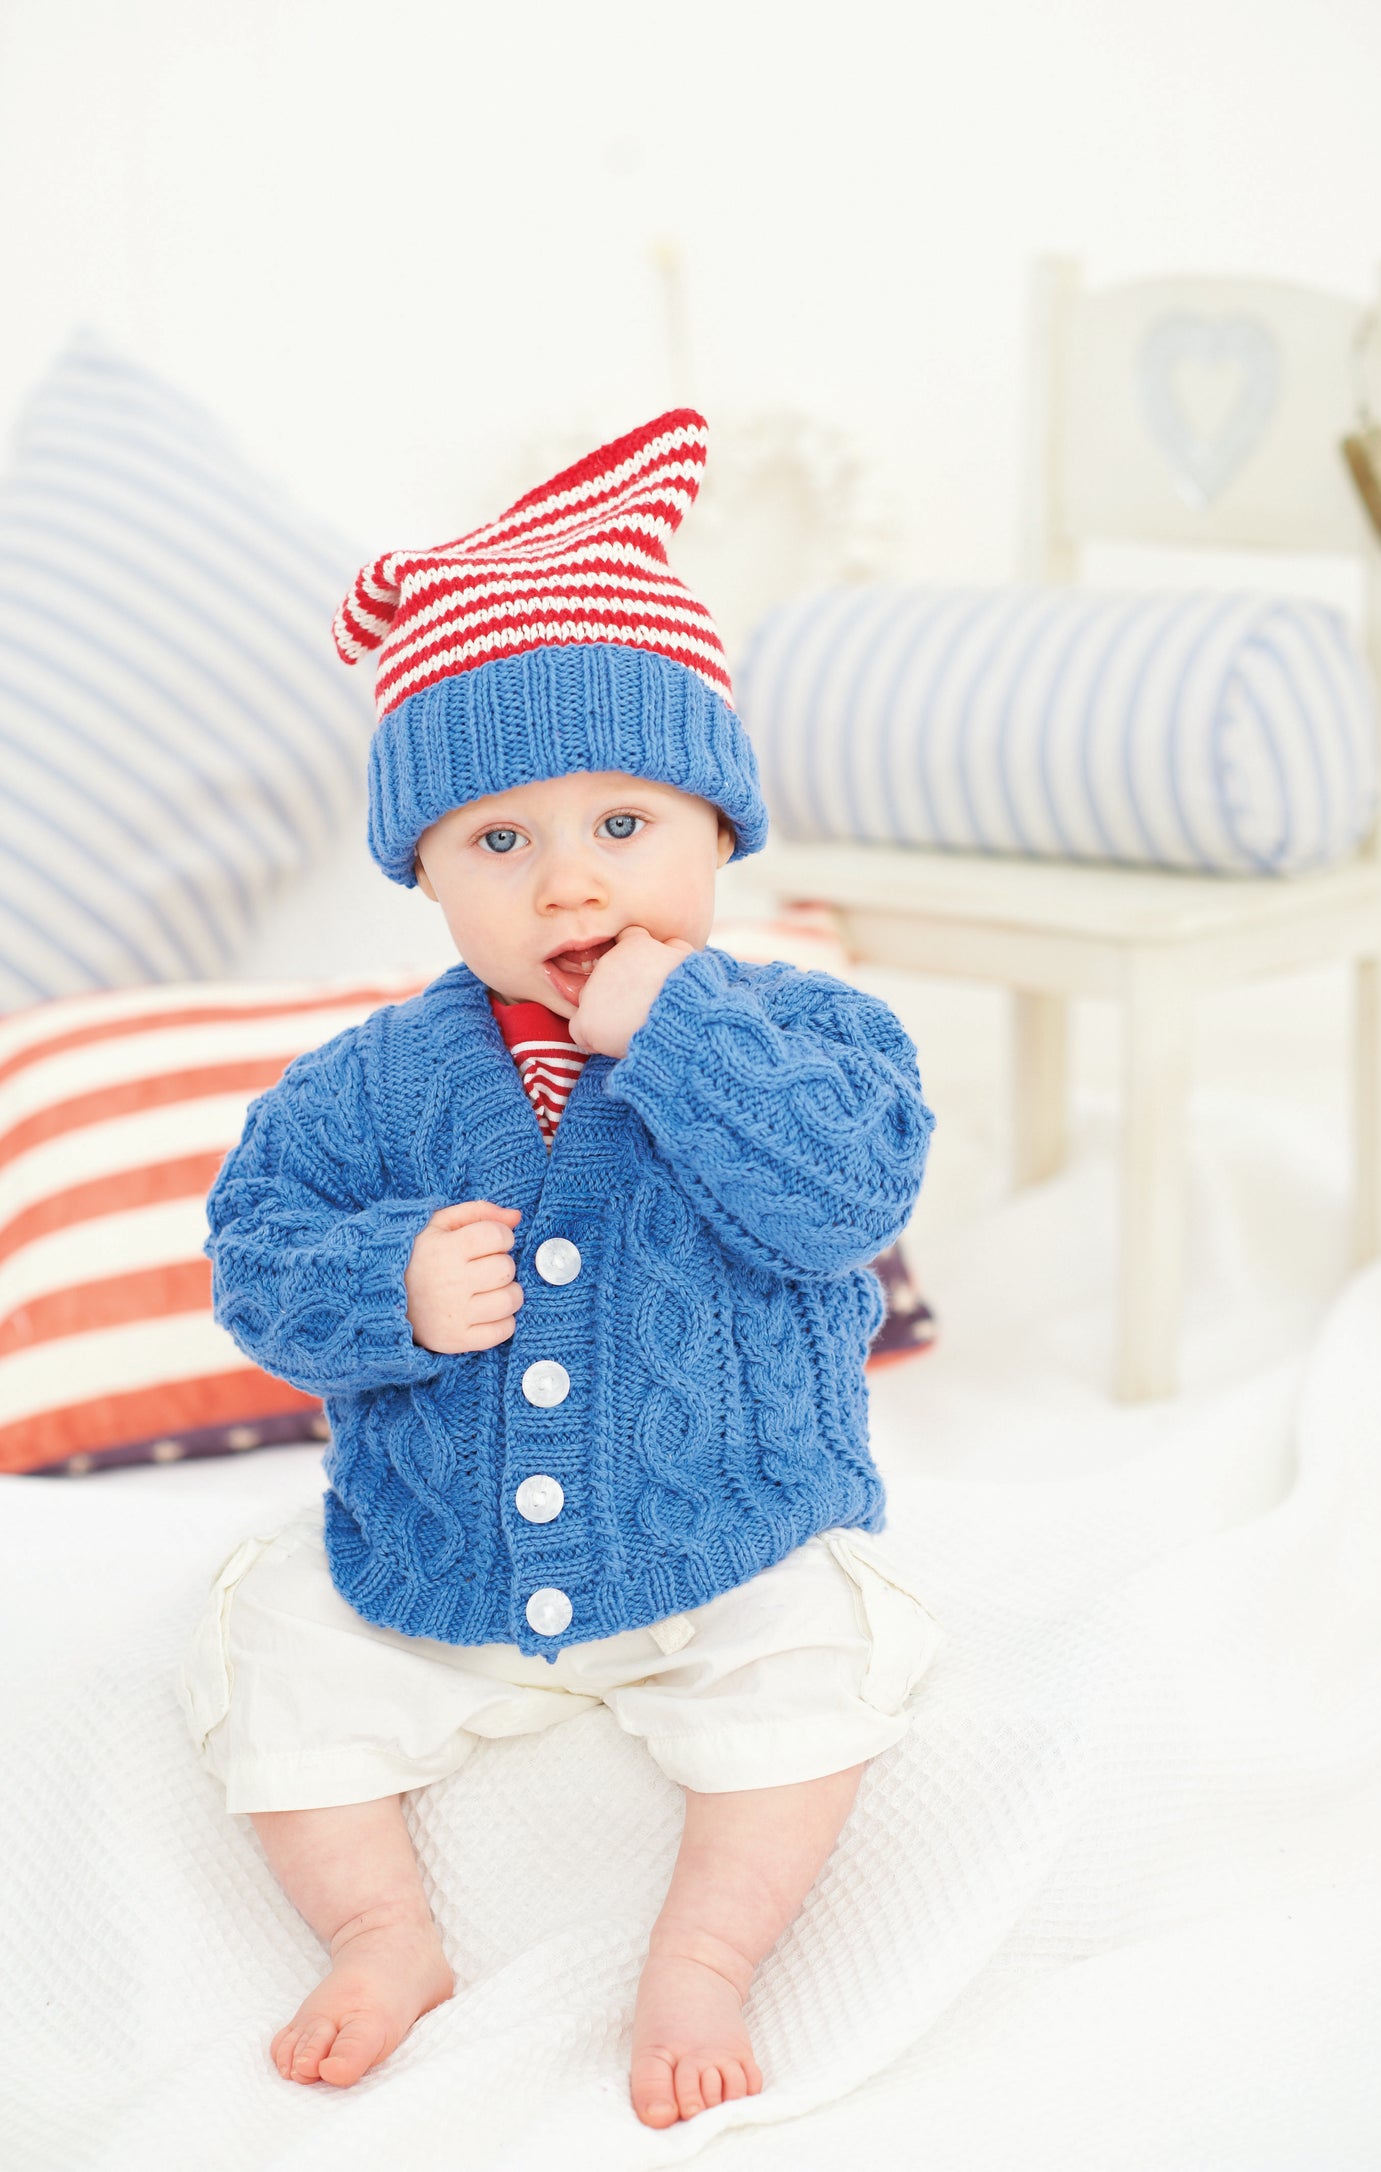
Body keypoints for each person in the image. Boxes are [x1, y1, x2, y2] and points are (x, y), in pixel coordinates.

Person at [175, 409, 943, 2129]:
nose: (571, 874)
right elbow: (257, 1255)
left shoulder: (811, 1028)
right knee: (267, 1639)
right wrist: (385, 1289)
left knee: (817, 1658)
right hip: (436, 1546)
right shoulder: (370, 1080)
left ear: (718, 835)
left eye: (622, 819)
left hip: (722, 1519)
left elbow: (838, 1208)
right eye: (498, 842)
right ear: (429, 875)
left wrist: (680, 1029)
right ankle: (383, 1934)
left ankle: (709, 1954)